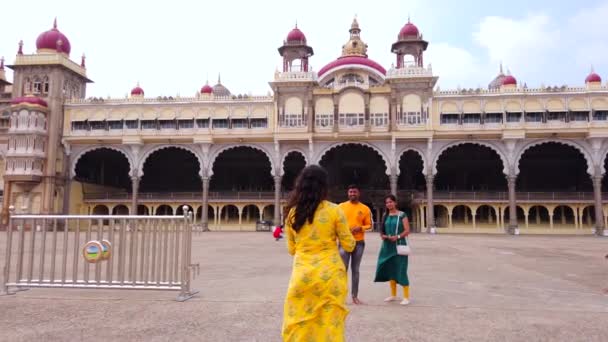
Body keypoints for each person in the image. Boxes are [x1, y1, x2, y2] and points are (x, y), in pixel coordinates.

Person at [282, 165, 356, 342]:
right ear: (324, 186)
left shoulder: (292, 213)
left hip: (302, 275)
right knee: (330, 326)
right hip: (330, 277)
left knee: (299, 324)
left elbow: (291, 250)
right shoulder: (334, 210)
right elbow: (349, 245)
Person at [374, 194, 411, 305]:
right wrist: (383, 236)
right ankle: (393, 295)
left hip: (399, 244)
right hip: (387, 245)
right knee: (390, 268)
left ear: (395, 203)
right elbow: (382, 230)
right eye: (387, 202)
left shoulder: (402, 215)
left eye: (390, 202)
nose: (389, 204)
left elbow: (407, 230)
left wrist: (398, 236)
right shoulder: (385, 215)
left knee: (401, 268)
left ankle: (406, 297)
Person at [338, 184, 372, 305]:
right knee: (343, 269)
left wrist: (361, 228)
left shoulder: (365, 208)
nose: (352, 194)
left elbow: (370, 225)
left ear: (359, 193)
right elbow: (335, 222)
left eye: (355, 192)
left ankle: (354, 296)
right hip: (344, 242)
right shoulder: (341, 207)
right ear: (348, 193)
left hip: (359, 243)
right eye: (351, 192)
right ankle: (340, 296)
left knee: (355, 270)